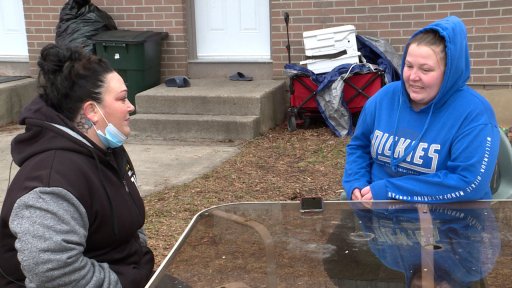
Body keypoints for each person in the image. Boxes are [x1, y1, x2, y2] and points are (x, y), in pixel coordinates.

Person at [0, 44, 154, 287]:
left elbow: (130, 223)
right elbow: (54, 274)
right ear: (92, 111)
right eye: (122, 98)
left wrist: (137, 259)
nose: (130, 106)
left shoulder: (108, 150)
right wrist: (125, 281)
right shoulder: (51, 183)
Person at [342, 16, 500, 202]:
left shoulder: (474, 113)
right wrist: (356, 182)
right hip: (379, 212)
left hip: (450, 219)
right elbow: (359, 146)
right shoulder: (385, 98)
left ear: (449, 72)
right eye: (409, 66)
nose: (413, 77)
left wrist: (390, 190)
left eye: (425, 70)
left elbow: (469, 183)